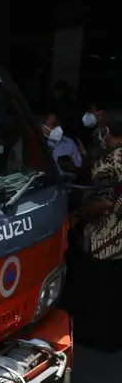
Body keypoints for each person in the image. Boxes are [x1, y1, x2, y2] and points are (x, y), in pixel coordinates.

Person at [75, 110, 122, 351]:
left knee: (102, 294)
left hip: (107, 240)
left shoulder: (108, 162)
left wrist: (80, 213)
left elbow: (104, 202)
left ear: (106, 132)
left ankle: (103, 340)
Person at [38, 111, 84, 175]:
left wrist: (72, 170)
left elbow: (78, 166)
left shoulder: (69, 143)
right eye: (53, 125)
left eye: (57, 124)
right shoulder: (39, 144)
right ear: (42, 127)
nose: (56, 128)